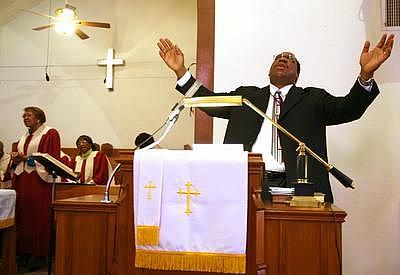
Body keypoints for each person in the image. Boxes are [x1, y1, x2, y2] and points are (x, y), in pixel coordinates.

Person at [157, 34, 395, 203]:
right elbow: (207, 102)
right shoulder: (246, 96)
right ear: (269, 69)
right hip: (248, 185)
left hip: (300, 189)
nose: (283, 59)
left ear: (297, 74)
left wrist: (366, 74)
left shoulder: (312, 99)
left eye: (289, 59)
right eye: (279, 57)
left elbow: (348, 109)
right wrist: (180, 71)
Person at [11, 106, 61, 272]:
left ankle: (39, 255)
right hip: (24, 179)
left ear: (39, 118)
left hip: (40, 180)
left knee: (38, 216)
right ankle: (24, 252)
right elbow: (22, 155)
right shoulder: (25, 136)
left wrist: (25, 157)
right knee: (24, 215)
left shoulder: (50, 133)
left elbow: (50, 156)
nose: (25, 118)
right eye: (24, 116)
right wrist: (17, 158)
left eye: (29, 116)